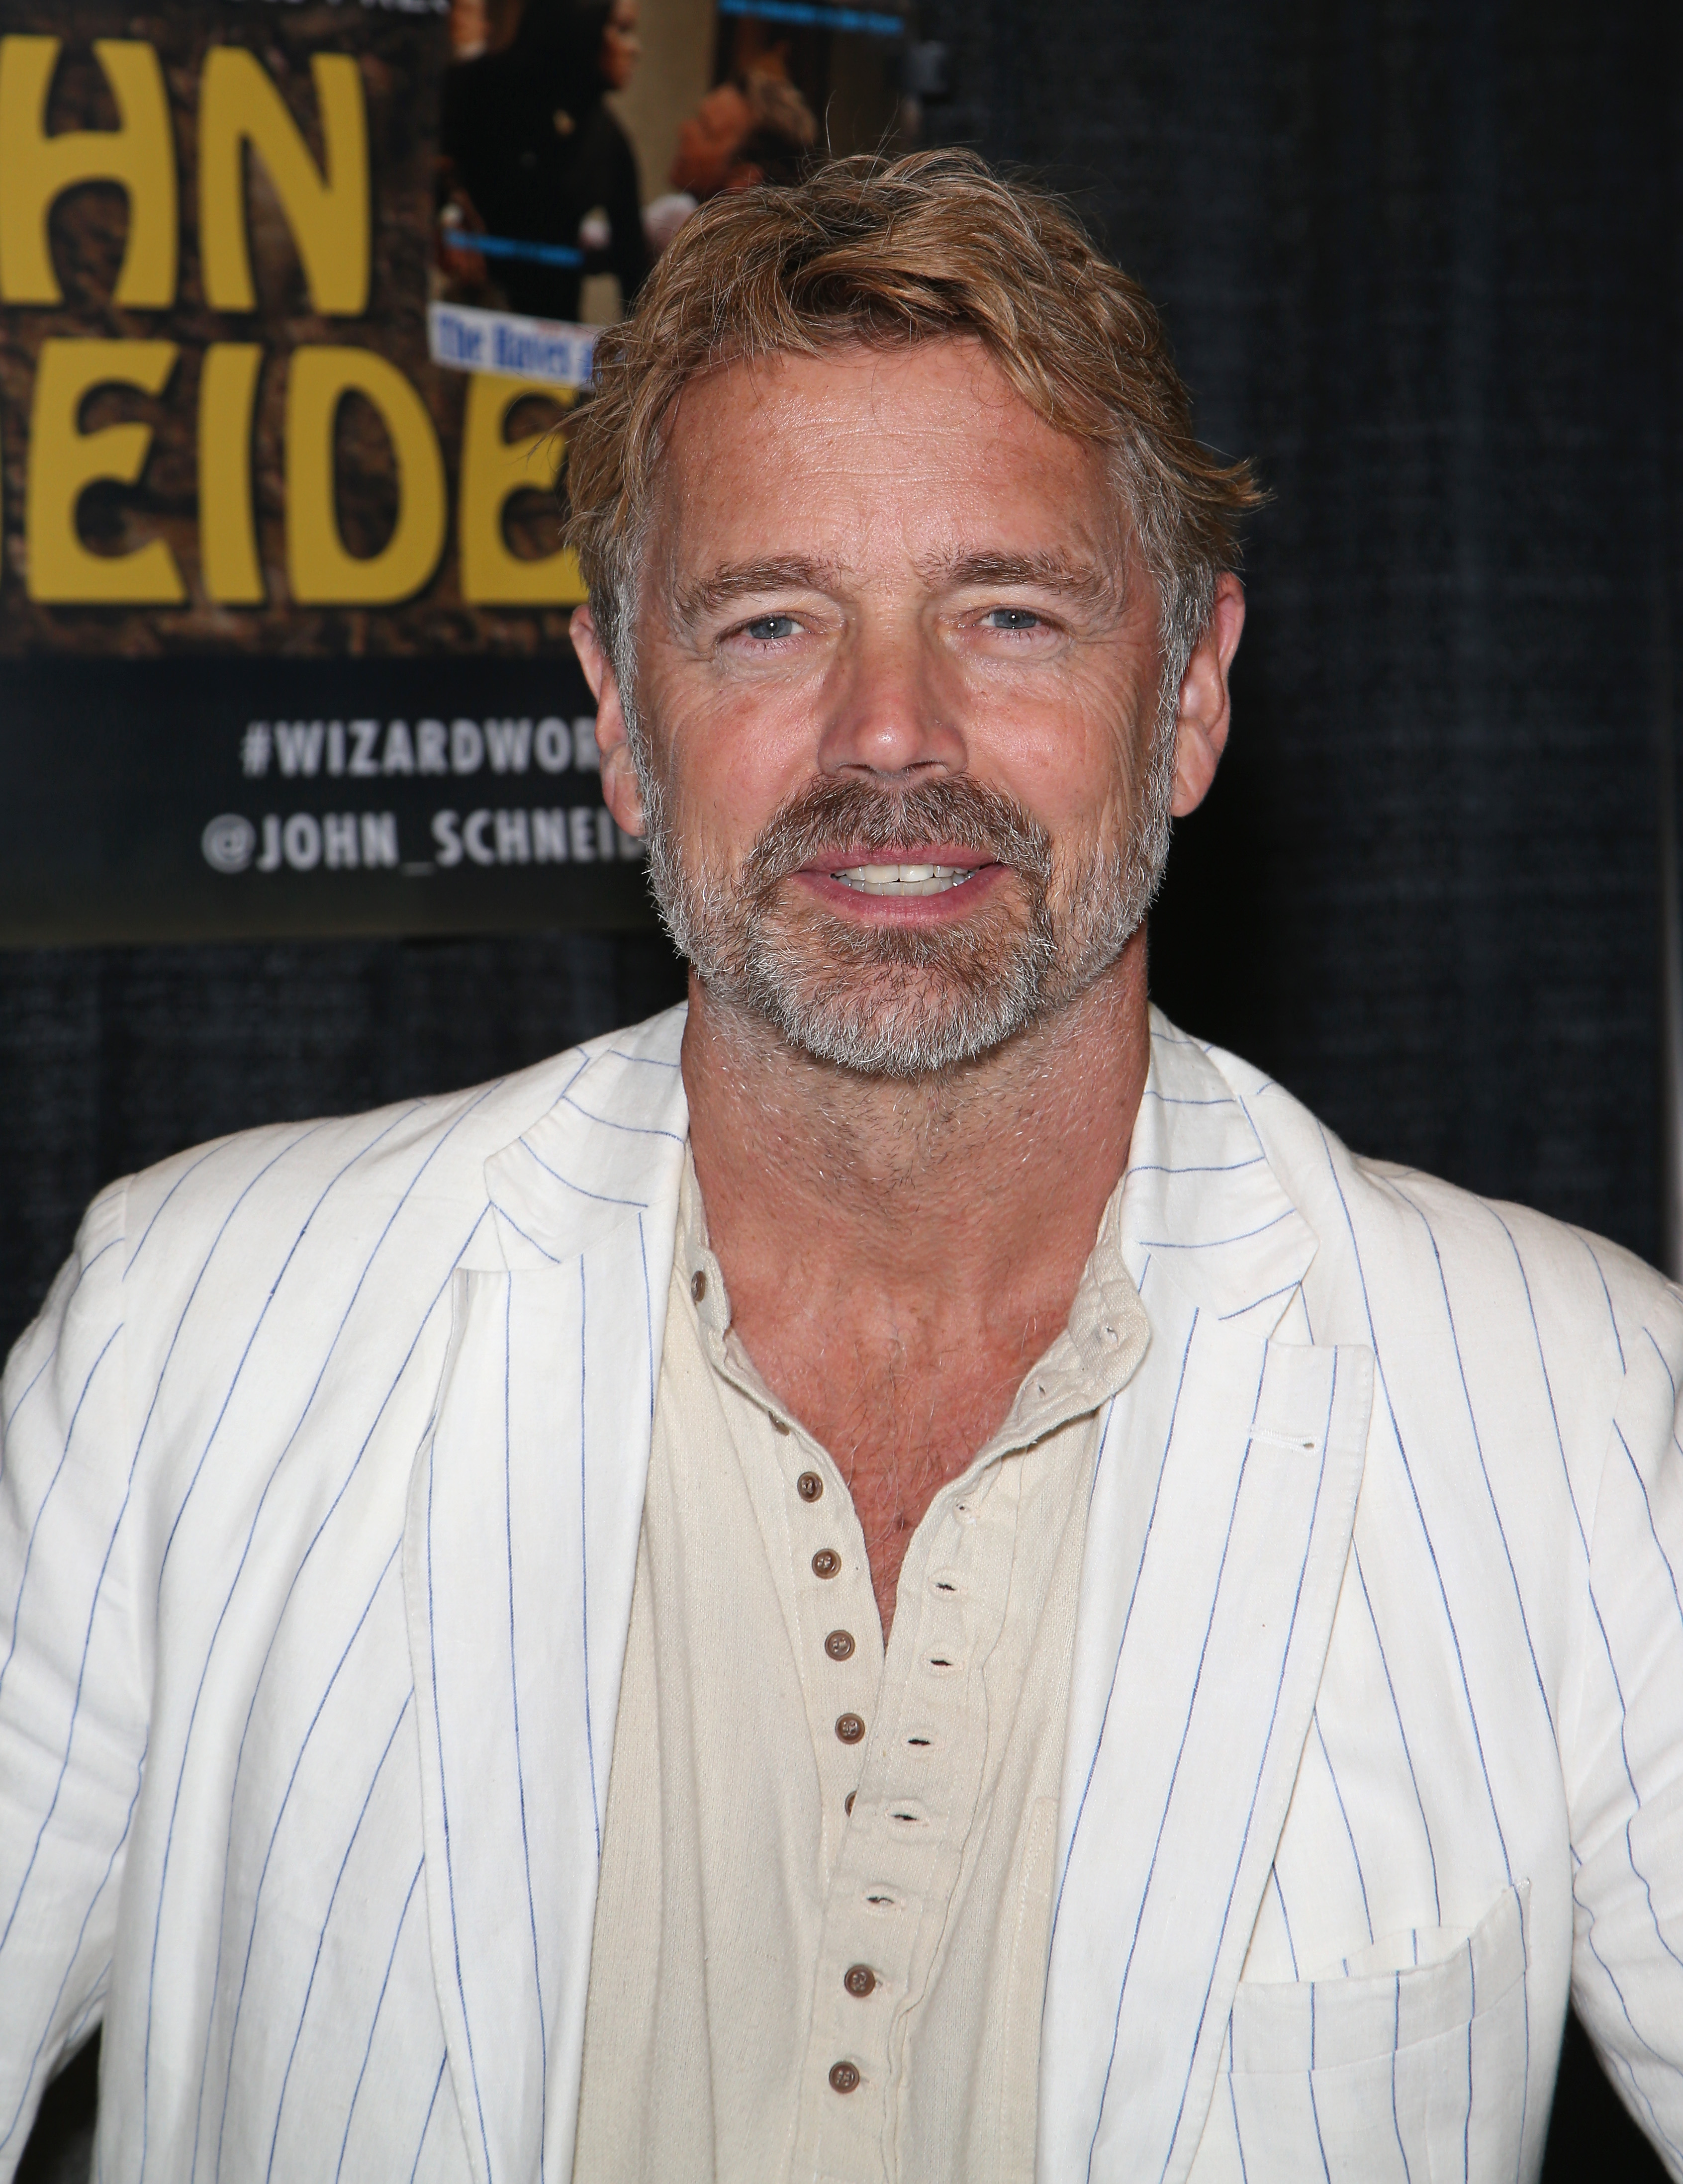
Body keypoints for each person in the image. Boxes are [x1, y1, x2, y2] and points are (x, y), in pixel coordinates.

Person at [2, 150, 1683, 2184]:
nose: (894, 732)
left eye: (1009, 609)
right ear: (622, 715)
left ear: (1193, 695)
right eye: (773, 620)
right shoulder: (192, 1342)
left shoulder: (1572, 1410)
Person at [440, 0, 649, 320]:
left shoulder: (607, 138)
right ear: (580, 25)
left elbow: (635, 275)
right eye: (621, 30)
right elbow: (413, 179)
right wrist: (448, 216)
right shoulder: (472, 89)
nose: (635, 49)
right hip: (463, 321)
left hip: (553, 344)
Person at [645, 68, 818, 252]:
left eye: (706, 131)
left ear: (745, 177)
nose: (685, 131)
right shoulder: (675, 216)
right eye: (697, 118)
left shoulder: (754, 269)